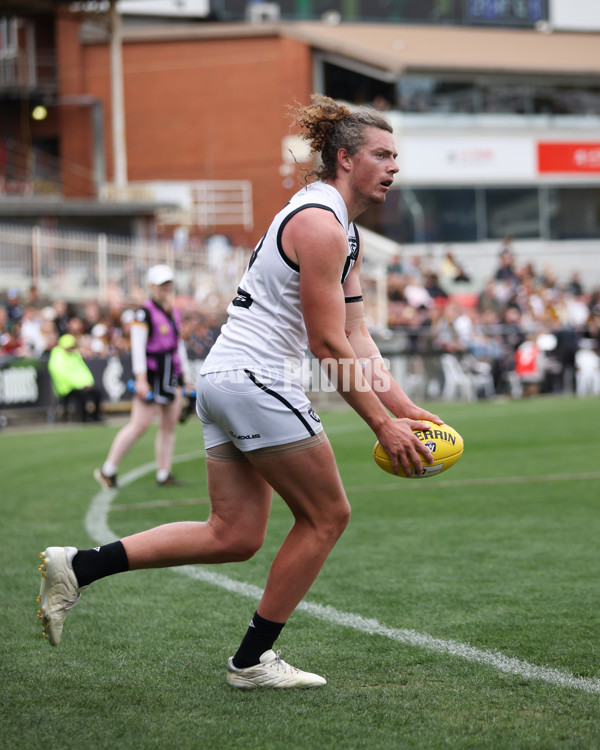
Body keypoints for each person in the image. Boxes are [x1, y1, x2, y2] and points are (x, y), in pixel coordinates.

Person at [38, 95, 442, 689]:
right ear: (344, 158)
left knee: (234, 535)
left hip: (227, 379)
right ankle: (251, 663)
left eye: (396, 156)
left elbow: (358, 333)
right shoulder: (321, 225)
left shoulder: (339, 228)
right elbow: (329, 347)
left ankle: (79, 566)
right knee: (327, 515)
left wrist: (404, 408)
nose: (393, 166)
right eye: (382, 155)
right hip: (257, 380)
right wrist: (382, 425)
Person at [93, 264, 192, 489]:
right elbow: (138, 348)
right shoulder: (144, 312)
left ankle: (163, 473)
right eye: (161, 284)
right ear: (151, 286)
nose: (166, 288)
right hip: (151, 371)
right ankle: (109, 469)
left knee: (169, 425)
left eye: (168, 284)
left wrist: (184, 375)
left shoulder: (173, 312)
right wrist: (141, 379)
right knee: (140, 424)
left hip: (170, 372)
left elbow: (179, 346)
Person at [47, 334, 103, 422]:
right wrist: (80, 385)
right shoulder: (57, 357)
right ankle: (85, 419)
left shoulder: (74, 355)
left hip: (80, 385)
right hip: (66, 389)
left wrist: (88, 383)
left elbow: (83, 370)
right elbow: (62, 376)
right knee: (82, 395)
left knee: (97, 391)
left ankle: (96, 416)